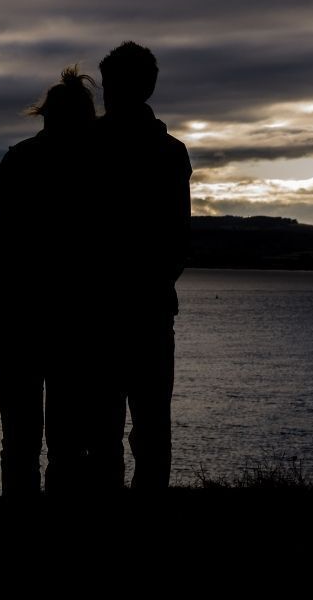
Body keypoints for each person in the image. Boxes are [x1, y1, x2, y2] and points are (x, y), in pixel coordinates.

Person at [0, 67, 97, 499]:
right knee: (67, 443)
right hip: (73, 321)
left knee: (19, 439)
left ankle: (20, 529)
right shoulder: (95, 167)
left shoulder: (19, 158)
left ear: (46, 116)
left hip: (14, 316)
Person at [89, 41, 192, 493]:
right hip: (146, 303)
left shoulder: (88, 145)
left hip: (101, 304)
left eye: (112, 83)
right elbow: (177, 238)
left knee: (106, 426)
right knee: (145, 425)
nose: (108, 93)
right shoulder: (170, 152)